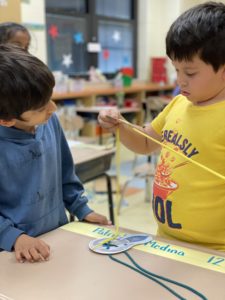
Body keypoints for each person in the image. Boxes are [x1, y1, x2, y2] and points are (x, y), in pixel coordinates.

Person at [98, 2, 225, 251]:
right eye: (176, 70)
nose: (179, 80)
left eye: (190, 72)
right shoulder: (178, 104)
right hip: (166, 239)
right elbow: (146, 143)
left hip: (216, 250)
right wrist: (121, 127)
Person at [0, 44, 111, 263]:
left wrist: (82, 208)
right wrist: (13, 237)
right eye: (41, 108)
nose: (52, 108)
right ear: (6, 120)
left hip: (56, 237)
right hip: (11, 254)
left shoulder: (50, 122)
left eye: (50, 99)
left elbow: (66, 174)